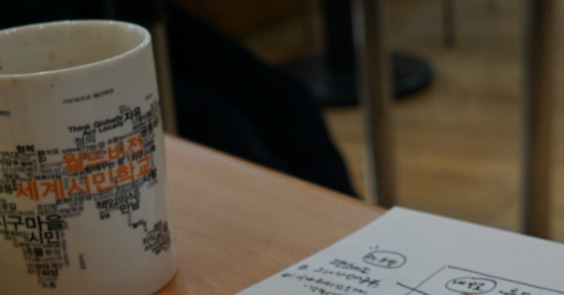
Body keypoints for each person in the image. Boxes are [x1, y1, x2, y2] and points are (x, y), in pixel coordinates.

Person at [2, 0, 357, 196]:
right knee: (226, 135)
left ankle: (359, 243)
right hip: (26, 29)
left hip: (103, 5)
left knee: (285, 98)